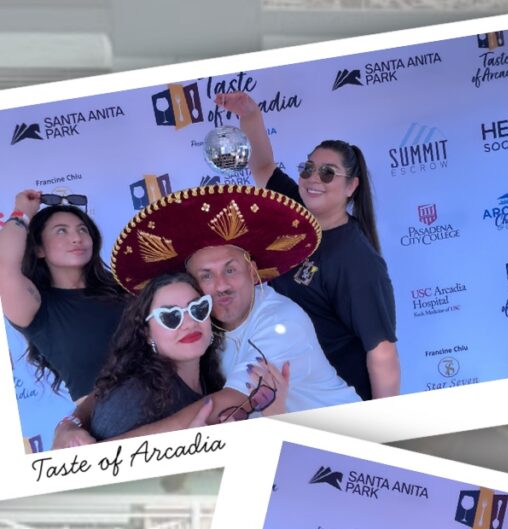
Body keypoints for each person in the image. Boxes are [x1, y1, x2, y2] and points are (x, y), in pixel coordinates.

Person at [53, 183, 360, 448]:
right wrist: (70, 423)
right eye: (206, 276)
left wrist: (104, 455)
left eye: (231, 269)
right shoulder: (201, 322)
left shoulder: (281, 322)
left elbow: (225, 404)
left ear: (252, 271)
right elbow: (120, 384)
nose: (221, 286)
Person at [216, 92, 399, 402]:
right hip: (289, 389)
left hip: (334, 398)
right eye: (308, 168)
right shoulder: (299, 209)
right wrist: (250, 116)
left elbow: (382, 355)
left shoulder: (356, 259)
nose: (314, 179)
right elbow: (263, 169)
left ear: (351, 186)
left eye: (328, 173)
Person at [89, 271, 287, 439]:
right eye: (170, 316)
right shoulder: (131, 397)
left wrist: (274, 414)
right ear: (147, 333)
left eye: (198, 309)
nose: (190, 322)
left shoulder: (211, 378)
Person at [0, 190, 127, 406]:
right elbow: (4, 267)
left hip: (173, 404)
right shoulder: (36, 307)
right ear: (39, 249)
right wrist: (22, 212)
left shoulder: (122, 289)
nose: (77, 238)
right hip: (114, 425)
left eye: (82, 230)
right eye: (61, 231)